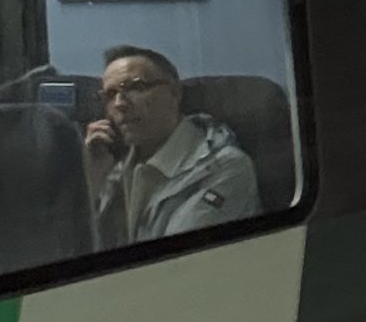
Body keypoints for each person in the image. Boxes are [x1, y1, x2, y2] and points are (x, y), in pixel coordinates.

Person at [84, 46, 261, 245]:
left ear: (175, 93)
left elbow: (177, 257)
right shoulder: (115, 169)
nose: (119, 104)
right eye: (110, 94)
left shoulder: (226, 168)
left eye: (136, 87)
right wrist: (90, 181)